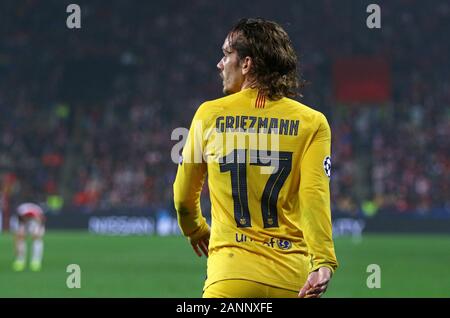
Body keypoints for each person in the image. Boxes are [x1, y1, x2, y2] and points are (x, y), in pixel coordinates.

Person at [173, 18, 338, 298]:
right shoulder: (313, 123)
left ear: (246, 64)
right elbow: (314, 197)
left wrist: (196, 230)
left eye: (226, 55)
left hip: (231, 275)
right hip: (293, 279)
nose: (220, 64)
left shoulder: (209, 115)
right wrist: (323, 261)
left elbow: (183, 200)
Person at [12, 202, 46, 272]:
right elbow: (17, 236)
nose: (27, 218)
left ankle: (36, 261)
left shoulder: (38, 215)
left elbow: (40, 226)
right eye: (26, 216)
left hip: (35, 222)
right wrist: (16, 247)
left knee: (37, 239)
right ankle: (20, 260)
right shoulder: (19, 216)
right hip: (22, 222)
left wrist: (37, 232)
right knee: (20, 239)